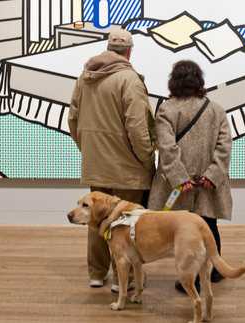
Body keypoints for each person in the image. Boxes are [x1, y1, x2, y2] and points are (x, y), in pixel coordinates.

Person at [68, 29, 155, 293]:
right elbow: (138, 128)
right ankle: (122, 279)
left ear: (107, 48)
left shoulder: (85, 77)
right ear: (129, 51)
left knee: (95, 219)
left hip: (97, 164)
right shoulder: (129, 80)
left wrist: (89, 150)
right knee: (126, 223)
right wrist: (147, 158)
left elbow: (73, 119)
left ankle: (96, 274)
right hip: (128, 167)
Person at [148, 60, 233, 293]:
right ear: (199, 80)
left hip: (179, 185)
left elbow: (167, 148)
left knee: (184, 230)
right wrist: (212, 175)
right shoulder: (216, 109)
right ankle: (215, 270)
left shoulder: (167, 109)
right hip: (207, 184)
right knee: (209, 224)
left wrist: (180, 178)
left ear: (173, 81)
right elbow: (224, 146)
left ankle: (192, 279)